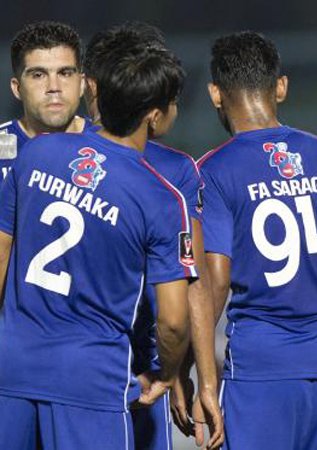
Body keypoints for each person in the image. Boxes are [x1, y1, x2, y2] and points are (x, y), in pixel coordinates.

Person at [197, 31, 317, 450]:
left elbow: (215, 282)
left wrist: (200, 380)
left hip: (261, 364)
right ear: (280, 87)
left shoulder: (214, 170)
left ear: (216, 93)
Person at [0, 40, 193, 450]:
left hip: (12, 369)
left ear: (95, 95)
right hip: (92, 381)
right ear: (155, 116)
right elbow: (174, 322)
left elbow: (1, 253)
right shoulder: (160, 198)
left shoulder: (36, 153)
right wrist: (166, 372)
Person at [83, 22, 223, 450]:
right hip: (134, 367)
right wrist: (189, 376)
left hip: (82, 363)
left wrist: (186, 374)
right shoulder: (173, 173)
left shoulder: (57, 152)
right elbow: (195, 284)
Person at [0, 21, 91, 179]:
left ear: (82, 84)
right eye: (38, 75)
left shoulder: (110, 145)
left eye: (65, 73)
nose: (53, 87)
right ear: (17, 88)